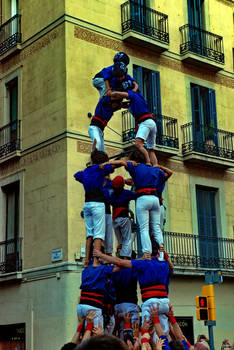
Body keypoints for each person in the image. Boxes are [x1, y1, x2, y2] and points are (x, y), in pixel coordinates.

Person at [93, 248, 173, 334]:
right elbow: (171, 267)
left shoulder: (114, 269)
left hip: (117, 306)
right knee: (135, 334)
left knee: (118, 334)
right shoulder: (138, 266)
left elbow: (118, 264)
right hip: (132, 305)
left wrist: (102, 256)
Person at [74, 148, 127, 267]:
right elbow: (114, 166)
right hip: (97, 204)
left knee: (90, 234)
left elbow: (76, 175)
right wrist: (121, 162)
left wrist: (89, 169)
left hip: (86, 204)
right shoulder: (99, 169)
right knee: (99, 234)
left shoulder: (86, 172)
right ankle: (96, 261)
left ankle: (86, 261)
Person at [125, 151, 164, 258]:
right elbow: (156, 165)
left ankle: (147, 253)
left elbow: (125, 163)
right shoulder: (153, 168)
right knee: (156, 228)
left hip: (142, 197)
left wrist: (131, 162)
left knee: (143, 228)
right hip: (155, 199)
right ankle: (161, 254)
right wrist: (150, 152)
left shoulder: (136, 168)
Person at [111, 90, 158, 166]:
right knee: (151, 149)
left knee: (138, 144)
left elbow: (123, 94)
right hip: (151, 123)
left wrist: (113, 93)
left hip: (145, 122)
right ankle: (156, 166)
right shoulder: (136, 102)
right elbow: (123, 105)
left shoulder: (135, 95)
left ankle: (148, 162)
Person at [104, 175, 136, 258]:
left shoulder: (111, 194)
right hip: (124, 217)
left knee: (120, 241)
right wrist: (134, 184)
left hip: (114, 219)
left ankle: (119, 256)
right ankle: (125, 258)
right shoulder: (126, 193)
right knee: (127, 239)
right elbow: (136, 195)